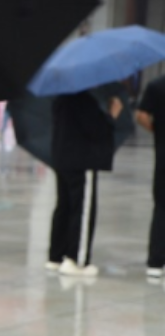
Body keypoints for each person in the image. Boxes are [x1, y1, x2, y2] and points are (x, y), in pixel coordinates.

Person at [46, 84, 123, 277]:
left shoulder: (61, 98)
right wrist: (112, 115)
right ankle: (76, 260)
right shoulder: (84, 100)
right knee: (83, 209)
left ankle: (56, 256)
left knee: (64, 207)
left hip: (63, 159)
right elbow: (97, 130)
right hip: (81, 162)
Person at [140, 73, 165, 279]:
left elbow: (141, 115)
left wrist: (156, 131)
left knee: (161, 208)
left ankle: (156, 262)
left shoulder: (156, 86)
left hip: (163, 157)